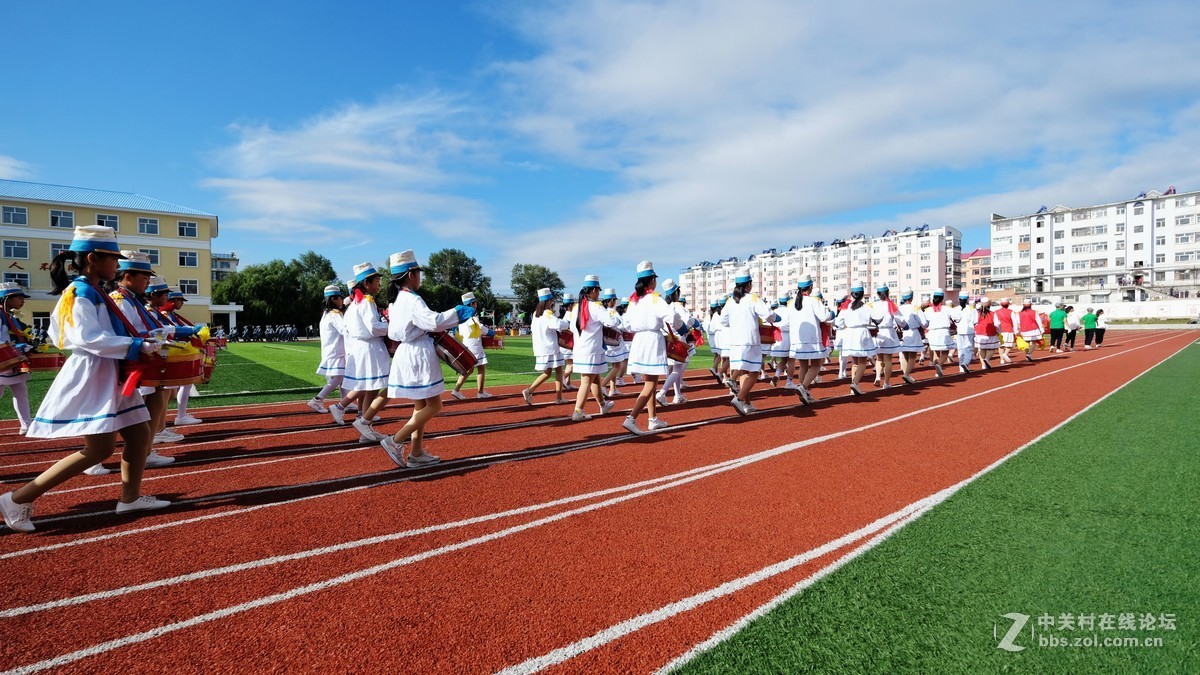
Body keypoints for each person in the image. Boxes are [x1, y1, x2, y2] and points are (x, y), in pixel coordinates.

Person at [2, 226, 169, 533]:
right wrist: (134, 345)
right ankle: (17, 498)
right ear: (93, 258)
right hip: (96, 372)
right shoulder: (81, 292)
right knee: (99, 450)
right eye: (113, 260)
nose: (117, 266)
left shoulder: (92, 290)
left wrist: (141, 340)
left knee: (139, 434)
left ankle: (129, 498)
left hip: (110, 370)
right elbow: (86, 337)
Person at [376, 250, 473, 467]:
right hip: (418, 353)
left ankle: (416, 453)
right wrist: (458, 313)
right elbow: (433, 322)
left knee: (421, 406)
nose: (420, 277)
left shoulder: (397, 300)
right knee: (435, 404)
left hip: (408, 351)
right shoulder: (411, 299)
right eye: (418, 273)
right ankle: (396, 440)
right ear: (411, 274)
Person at [105, 258, 181, 472]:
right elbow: (127, 332)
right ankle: (95, 459)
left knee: (152, 403)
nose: (147, 282)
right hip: (124, 363)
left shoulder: (131, 300)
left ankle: (145, 452)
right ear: (128, 277)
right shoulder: (120, 300)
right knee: (111, 411)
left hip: (138, 359)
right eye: (145, 277)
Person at [621, 263, 684, 433]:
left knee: (652, 382)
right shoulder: (655, 299)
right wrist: (684, 330)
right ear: (652, 281)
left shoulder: (634, 300)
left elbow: (626, 324)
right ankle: (632, 418)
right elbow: (672, 317)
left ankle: (652, 419)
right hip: (652, 341)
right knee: (650, 383)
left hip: (639, 340)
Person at [330, 262, 390, 438]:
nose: (379, 284)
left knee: (370, 388)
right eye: (377, 281)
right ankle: (364, 424)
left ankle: (365, 427)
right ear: (366, 283)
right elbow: (373, 327)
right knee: (377, 387)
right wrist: (390, 326)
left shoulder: (355, 304)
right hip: (370, 348)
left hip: (362, 348)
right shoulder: (366, 302)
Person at [568, 275, 620, 421]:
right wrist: (615, 317)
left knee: (595, 378)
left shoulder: (577, 307)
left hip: (581, 348)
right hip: (592, 350)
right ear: (593, 291)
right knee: (586, 381)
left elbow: (573, 327)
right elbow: (611, 322)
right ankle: (578, 411)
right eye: (598, 291)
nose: (599, 294)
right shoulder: (596, 306)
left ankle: (603, 405)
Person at [787, 275, 831, 404]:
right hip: (812, 338)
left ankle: (804, 393)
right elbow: (824, 316)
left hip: (797, 338)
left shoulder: (792, 303)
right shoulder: (813, 301)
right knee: (816, 365)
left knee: (803, 366)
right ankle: (803, 387)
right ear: (810, 287)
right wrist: (830, 312)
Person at [522, 287, 568, 405]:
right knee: (554, 371)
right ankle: (531, 391)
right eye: (551, 300)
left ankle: (556, 396)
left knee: (553, 371)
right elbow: (557, 323)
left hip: (541, 346)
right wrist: (566, 323)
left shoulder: (536, 314)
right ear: (548, 301)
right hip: (550, 347)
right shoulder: (547, 313)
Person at [0, 282, 35, 434]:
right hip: (4, 360)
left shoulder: (8, 316)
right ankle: (26, 424)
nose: (23, 301)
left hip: (11, 359)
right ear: (7, 298)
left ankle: (26, 424)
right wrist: (16, 348)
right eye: (19, 298)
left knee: (21, 391)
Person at [833, 281, 877, 395]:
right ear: (862, 294)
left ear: (852, 294)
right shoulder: (866, 306)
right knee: (862, 361)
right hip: (861, 333)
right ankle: (855, 383)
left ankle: (853, 386)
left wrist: (844, 325)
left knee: (855, 362)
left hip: (850, 334)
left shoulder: (846, 307)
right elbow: (878, 317)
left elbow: (838, 322)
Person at [309, 284, 347, 413]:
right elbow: (345, 330)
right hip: (337, 351)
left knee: (342, 377)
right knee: (339, 377)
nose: (342, 300)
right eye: (340, 298)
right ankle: (317, 399)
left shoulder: (326, 314)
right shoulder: (335, 314)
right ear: (334, 299)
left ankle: (346, 400)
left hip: (332, 350)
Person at [657, 279, 694, 406]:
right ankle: (662, 393)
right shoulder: (676, 306)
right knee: (677, 370)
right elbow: (685, 322)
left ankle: (677, 395)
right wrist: (688, 329)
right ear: (675, 292)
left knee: (673, 369)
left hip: (666, 339)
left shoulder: (663, 305)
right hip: (678, 339)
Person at [450, 291, 492, 399]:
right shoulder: (471, 315)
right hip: (474, 345)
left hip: (464, 345)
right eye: (475, 303)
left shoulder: (460, 317)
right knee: (481, 367)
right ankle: (480, 392)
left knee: (469, 369)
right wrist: (492, 333)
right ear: (472, 303)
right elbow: (481, 328)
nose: (476, 305)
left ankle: (456, 390)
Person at [871, 284, 903, 387]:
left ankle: (877, 377)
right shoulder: (891, 305)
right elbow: (900, 319)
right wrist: (905, 326)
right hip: (888, 332)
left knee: (879, 358)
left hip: (878, 333)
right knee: (888, 359)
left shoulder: (873, 305)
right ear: (888, 293)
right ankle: (886, 383)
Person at [600, 290, 631, 397]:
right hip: (615, 342)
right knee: (617, 366)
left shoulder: (602, 311)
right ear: (611, 300)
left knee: (614, 365)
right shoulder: (612, 312)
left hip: (607, 342)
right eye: (614, 300)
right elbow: (621, 325)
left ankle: (613, 389)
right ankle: (603, 385)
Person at [923, 289, 956, 376]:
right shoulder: (947, 309)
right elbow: (957, 318)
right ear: (942, 298)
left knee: (936, 352)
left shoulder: (928, 310)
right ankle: (939, 364)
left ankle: (937, 370)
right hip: (943, 332)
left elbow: (924, 323)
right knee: (945, 352)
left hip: (932, 333)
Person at [897, 289, 926, 384]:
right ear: (912, 297)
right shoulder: (915, 308)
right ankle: (906, 374)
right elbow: (924, 323)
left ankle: (907, 374)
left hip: (902, 334)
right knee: (913, 356)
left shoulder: (899, 308)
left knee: (905, 355)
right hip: (913, 333)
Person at [769, 294, 793, 388]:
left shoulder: (775, 311)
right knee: (791, 359)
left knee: (783, 359)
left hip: (777, 336)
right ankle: (789, 381)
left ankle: (776, 376)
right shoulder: (790, 311)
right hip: (788, 336)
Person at [950, 293, 978, 373]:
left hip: (958, 331)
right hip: (968, 331)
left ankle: (961, 366)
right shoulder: (972, 309)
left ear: (959, 299)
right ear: (967, 300)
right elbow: (975, 321)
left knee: (960, 349)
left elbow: (953, 320)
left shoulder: (955, 309)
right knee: (968, 348)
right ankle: (965, 363)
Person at [974, 297, 998, 369]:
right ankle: (987, 359)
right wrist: (999, 331)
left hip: (979, 333)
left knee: (981, 349)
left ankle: (983, 365)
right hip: (991, 333)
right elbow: (997, 324)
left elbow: (974, 323)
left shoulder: (977, 313)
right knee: (992, 348)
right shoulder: (993, 314)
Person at [559, 292, 577, 390]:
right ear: (570, 305)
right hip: (571, 342)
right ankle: (564, 377)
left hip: (565, 343)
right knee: (575, 363)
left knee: (569, 363)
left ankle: (568, 383)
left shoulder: (565, 315)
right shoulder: (572, 315)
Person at [994, 298, 1017, 364]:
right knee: (1009, 345)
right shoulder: (1011, 312)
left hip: (1000, 331)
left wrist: (997, 330)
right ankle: (1005, 354)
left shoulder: (996, 312)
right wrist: (1015, 331)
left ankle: (1002, 360)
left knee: (1001, 345)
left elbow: (996, 323)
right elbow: (1015, 322)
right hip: (1008, 330)